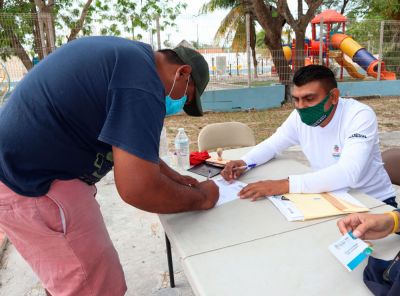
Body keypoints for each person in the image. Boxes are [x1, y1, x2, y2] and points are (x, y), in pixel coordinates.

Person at [0, 36, 219, 296]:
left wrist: (172, 175)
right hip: (35, 182)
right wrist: (202, 198)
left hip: (27, 171)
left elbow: (128, 146)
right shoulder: (143, 83)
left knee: (71, 276)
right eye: (187, 97)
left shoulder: (130, 62)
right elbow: (138, 189)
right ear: (183, 72)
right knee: (97, 287)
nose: (181, 104)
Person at [221, 65, 396, 206]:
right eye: (296, 99)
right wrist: (244, 162)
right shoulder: (298, 117)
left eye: (309, 99)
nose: (301, 106)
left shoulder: (359, 115)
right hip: (330, 196)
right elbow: (273, 145)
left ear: (334, 96)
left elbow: (348, 172)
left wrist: (282, 185)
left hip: (374, 202)